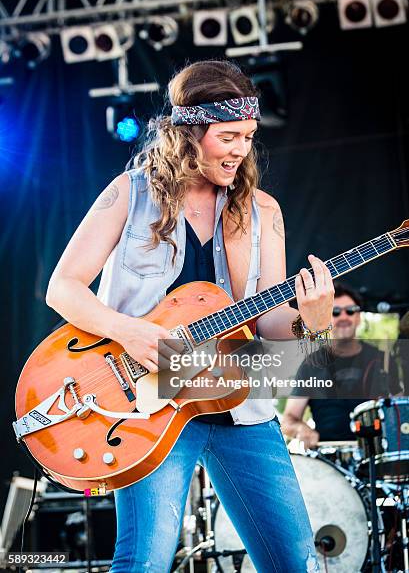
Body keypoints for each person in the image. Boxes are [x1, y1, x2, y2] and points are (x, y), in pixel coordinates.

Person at [46, 60, 334, 573]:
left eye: (248, 135)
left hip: (238, 405)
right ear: (188, 134)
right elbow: (62, 288)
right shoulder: (127, 194)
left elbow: (269, 319)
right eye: (228, 136)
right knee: (145, 561)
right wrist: (126, 330)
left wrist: (311, 319)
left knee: (296, 561)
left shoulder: (263, 210)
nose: (241, 149)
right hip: (148, 407)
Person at [282, 281, 401, 449]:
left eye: (351, 311)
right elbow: (289, 420)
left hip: (378, 454)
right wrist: (302, 429)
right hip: (329, 461)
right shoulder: (311, 364)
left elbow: (400, 412)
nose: (344, 317)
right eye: (335, 312)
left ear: (358, 317)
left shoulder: (384, 360)